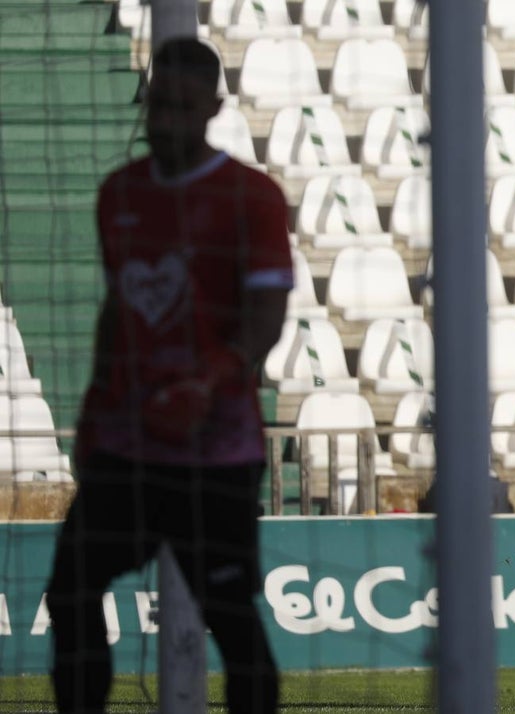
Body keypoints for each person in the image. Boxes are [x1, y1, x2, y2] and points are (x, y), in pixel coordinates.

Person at [44, 37, 291, 713]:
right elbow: (119, 309)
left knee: (229, 618)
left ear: (213, 108)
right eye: (157, 105)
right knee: (69, 590)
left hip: (216, 450)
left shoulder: (251, 197)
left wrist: (208, 382)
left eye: (181, 107)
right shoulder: (119, 194)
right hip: (129, 446)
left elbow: (266, 316)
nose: (164, 121)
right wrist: (94, 414)